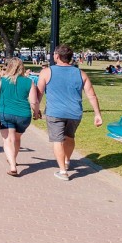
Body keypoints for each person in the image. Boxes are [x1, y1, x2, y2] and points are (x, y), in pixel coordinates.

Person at [34, 44, 103, 181]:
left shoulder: (46, 72)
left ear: (57, 56)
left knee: (57, 141)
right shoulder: (81, 73)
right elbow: (91, 95)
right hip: (74, 112)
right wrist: (97, 114)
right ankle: (66, 161)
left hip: (55, 112)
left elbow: (39, 93)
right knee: (70, 137)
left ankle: (63, 171)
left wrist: (36, 110)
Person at [0, 58, 39, 177]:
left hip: (6, 113)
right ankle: (13, 159)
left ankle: (13, 166)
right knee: (17, 138)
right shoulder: (29, 82)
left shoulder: (2, 80)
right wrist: (36, 113)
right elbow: (34, 102)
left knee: (8, 139)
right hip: (23, 115)